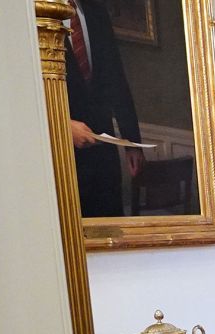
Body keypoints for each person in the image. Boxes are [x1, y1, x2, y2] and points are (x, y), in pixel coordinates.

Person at [64, 0, 144, 217]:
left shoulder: (94, 10)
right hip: (62, 154)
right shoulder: (33, 13)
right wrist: (61, 126)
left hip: (103, 145)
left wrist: (131, 141)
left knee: (111, 220)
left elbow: (115, 75)